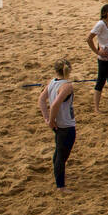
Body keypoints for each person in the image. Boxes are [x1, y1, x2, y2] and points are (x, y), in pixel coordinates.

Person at [38, 59, 77, 189]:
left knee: (59, 151)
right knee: (61, 154)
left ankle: (60, 174)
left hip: (59, 125)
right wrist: (50, 120)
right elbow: (55, 104)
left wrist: (47, 118)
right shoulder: (67, 86)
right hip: (65, 124)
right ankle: (60, 186)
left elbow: (41, 100)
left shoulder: (52, 83)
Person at [87, 3, 108, 111]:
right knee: (101, 81)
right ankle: (96, 108)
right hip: (104, 56)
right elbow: (89, 39)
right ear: (106, 13)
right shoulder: (100, 24)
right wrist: (97, 52)